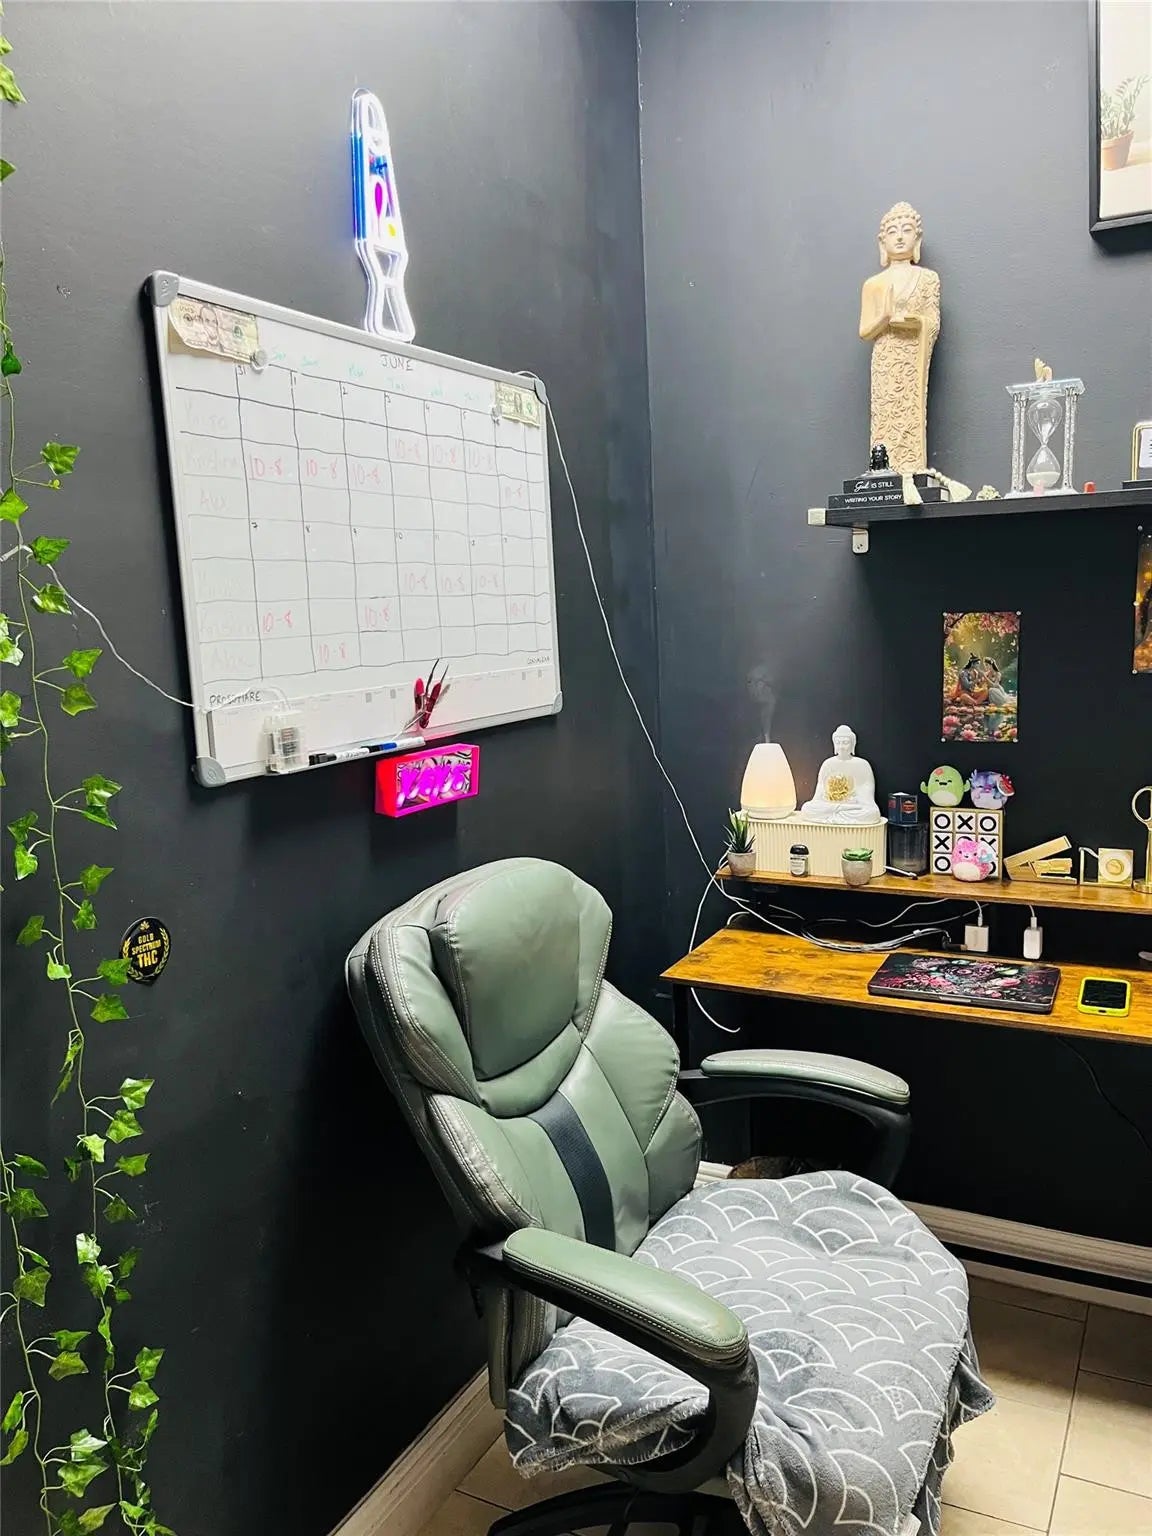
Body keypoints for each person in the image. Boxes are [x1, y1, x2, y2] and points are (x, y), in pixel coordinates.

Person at [859, 202, 941, 474]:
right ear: (882, 241)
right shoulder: (874, 283)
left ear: (917, 239)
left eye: (906, 230)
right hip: (886, 358)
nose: (899, 237)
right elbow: (865, 331)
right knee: (886, 414)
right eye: (892, 231)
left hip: (913, 357)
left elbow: (933, 322)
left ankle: (911, 465)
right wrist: (884, 319)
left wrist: (916, 323)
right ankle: (883, 468)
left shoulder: (928, 279)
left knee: (909, 412)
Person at [799, 725, 882, 825]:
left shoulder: (862, 765)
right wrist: (827, 799)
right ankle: (839, 813)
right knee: (807, 808)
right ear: (834, 744)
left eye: (845, 743)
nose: (841, 747)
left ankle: (838, 813)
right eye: (838, 743)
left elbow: (867, 792)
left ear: (852, 744)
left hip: (853, 805)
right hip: (831, 805)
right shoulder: (828, 764)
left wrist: (854, 799)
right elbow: (820, 790)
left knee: (872, 813)